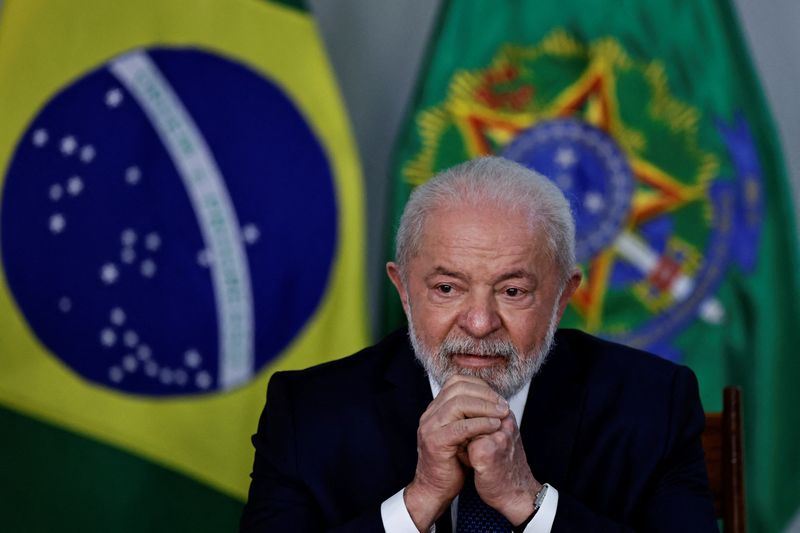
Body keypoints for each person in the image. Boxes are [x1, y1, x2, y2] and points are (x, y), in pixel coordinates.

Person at [240, 157, 718, 532]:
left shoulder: (654, 405)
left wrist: (527, 501)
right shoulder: (307, 412)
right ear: (404, 290)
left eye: (513, 291)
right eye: (447, 288)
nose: (479, 321)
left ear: (562, 297)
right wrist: (418, 501)